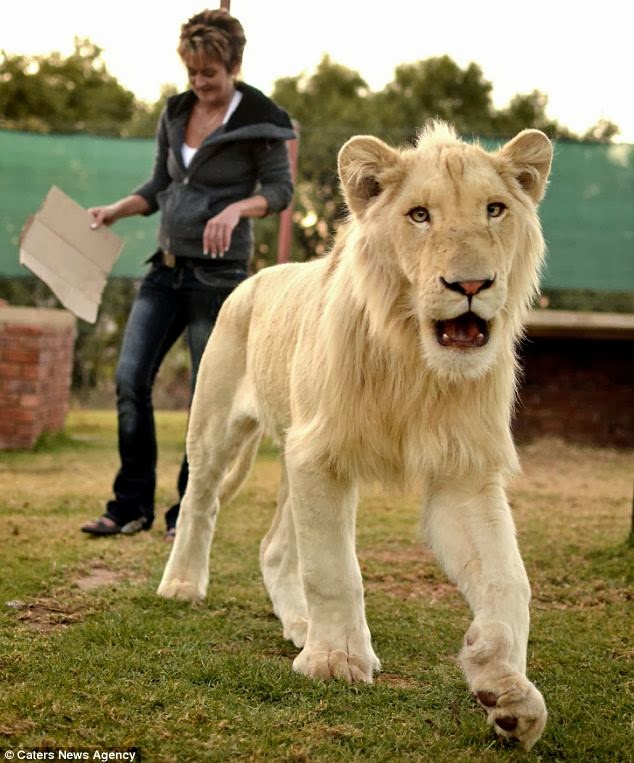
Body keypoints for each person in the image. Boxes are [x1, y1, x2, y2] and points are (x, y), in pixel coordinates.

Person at [81, 9, 295, 540]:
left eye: (211, 74)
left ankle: (187, 514)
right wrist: (116, 209)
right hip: (167, 269)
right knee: (130, 381)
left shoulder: (262, 122)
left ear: (235, 66)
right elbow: (158, 184)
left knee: (207, 399)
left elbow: (280, 192)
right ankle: (129, 505)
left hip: (220, 280)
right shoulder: (176, 112)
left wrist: (235, 210)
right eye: (193, 73)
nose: (200, 84)